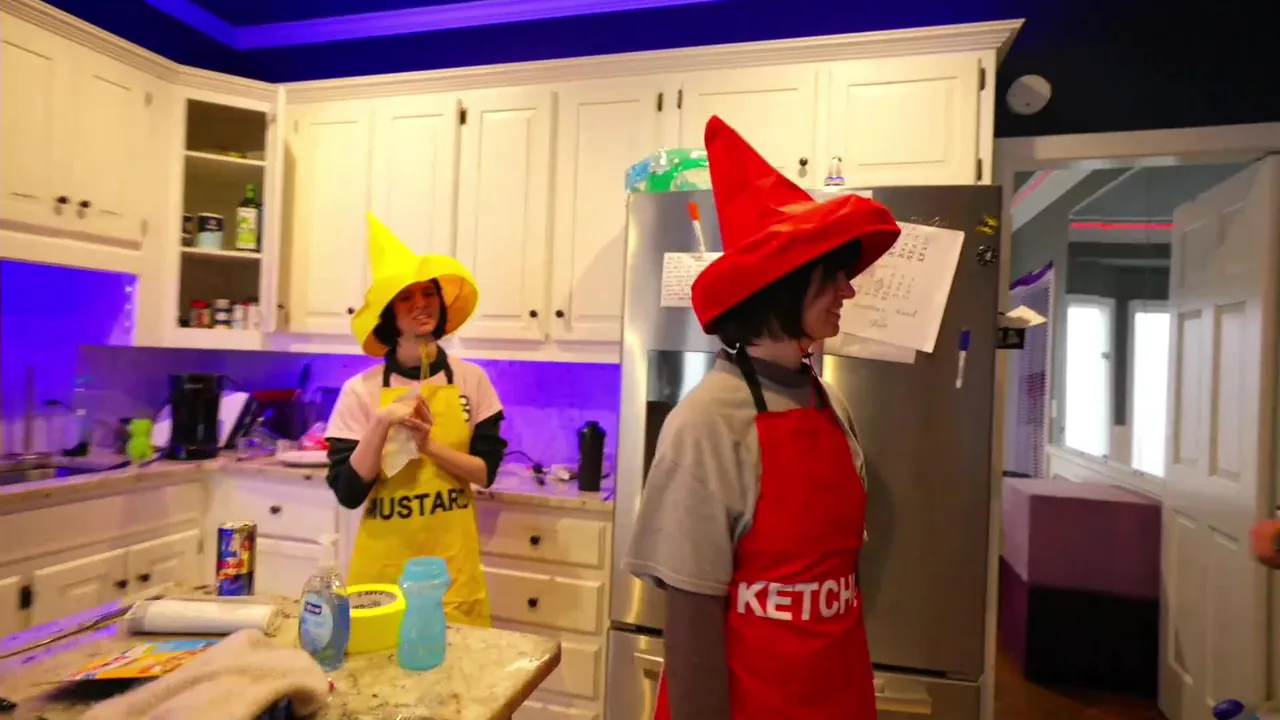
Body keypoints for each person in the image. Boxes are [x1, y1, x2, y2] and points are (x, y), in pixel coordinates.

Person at [623, 116, 902, 719]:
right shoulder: (708, 423)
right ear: (784, 285)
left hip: (835, 693)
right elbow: (691, 619)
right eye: (833, 277)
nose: (848, 292)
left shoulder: (830, 402)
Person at [324, 213, 508, 627]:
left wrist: (430, 447)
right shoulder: (360, 390)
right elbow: (349, 492)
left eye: (428, 293)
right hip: (384, 572)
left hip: (451, 573)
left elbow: (485, 473)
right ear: (389, 314)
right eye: (406, 297)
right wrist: (380, 423)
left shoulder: (472, 380)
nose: (421, 303)